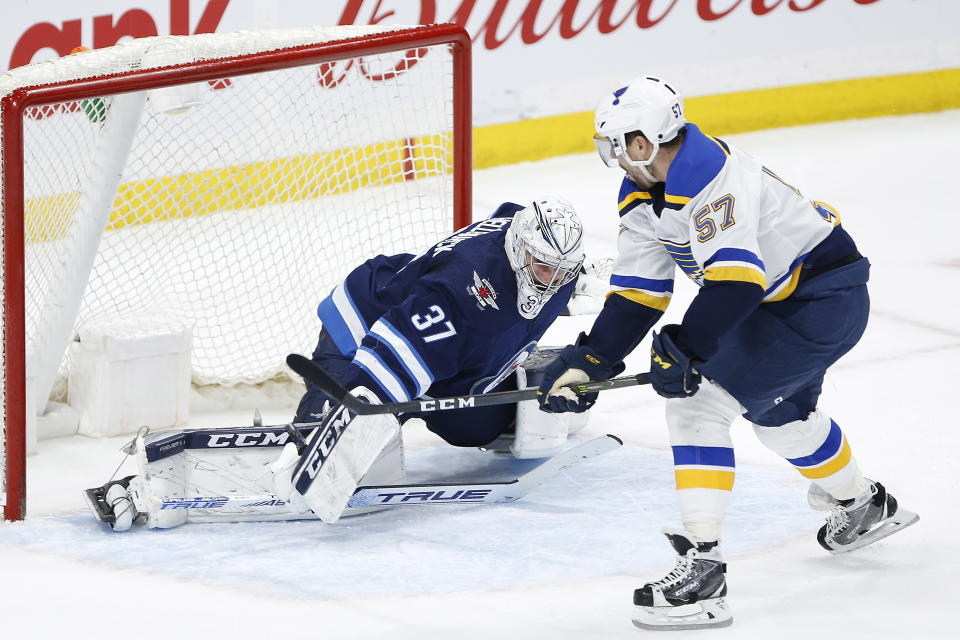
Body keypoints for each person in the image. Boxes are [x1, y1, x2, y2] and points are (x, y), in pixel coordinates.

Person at [535, 75, 919, 630]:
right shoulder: (644, 194)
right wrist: (590, 360)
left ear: (642, 143)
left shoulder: (709, 175)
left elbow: (737, 283)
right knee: (781, 416)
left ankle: (703, 572)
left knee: (697, 406)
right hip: (783, 303)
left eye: (614, 145)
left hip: (820, 301)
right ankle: (864, 505)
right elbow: (639, 293)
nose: (611, 157)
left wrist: (687, 348)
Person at [274, 197, 592, 523]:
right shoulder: (461, 291)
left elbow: (508, 212)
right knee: (361, 427)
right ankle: (304, 439)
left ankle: (534, 387)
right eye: (543, 266)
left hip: (445, 347)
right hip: (365, 326)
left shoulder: (536, 251)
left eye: (563, 271)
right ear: (518, 247)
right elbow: (388, 364)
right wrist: (329, 445)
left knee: (471, 429)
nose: (551, 280)